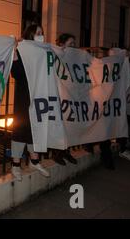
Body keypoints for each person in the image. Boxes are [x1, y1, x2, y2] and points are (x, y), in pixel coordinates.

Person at [10, 24, 50, 182]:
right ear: (30, 34)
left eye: (42, 33)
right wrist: (15, 50)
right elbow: (16, 73)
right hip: (24, 95)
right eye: (37, 33)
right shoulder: (22, 50)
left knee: (36, 127)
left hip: (39, 95)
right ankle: (15, 164)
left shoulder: (44, 52)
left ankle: (34, 161)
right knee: (21, 127)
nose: (41, 35)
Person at [50, 33, 78, 166]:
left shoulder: (75, 59)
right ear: (62, 44)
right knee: (59, 125)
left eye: (74, 44)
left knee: (69, 125)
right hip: (58, 95)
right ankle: (57, 153)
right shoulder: (56, 55)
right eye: (70, 43)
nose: (73, 46)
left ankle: (66, 151)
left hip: (70, 96)